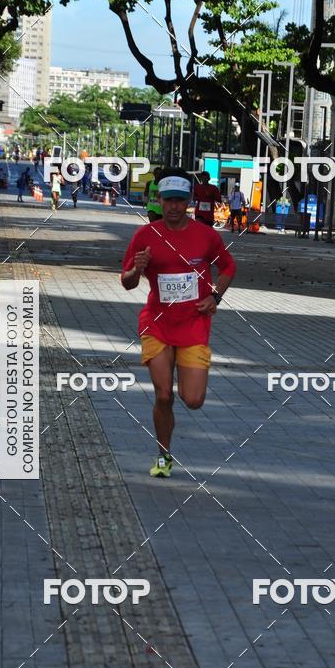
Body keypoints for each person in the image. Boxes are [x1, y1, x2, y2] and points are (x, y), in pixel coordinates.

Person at [121, 167, 237, 478]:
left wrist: (215, 297)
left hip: (193, 324)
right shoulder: (146, 235)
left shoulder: (206, 235)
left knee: (193, 399)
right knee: (163, 394)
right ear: (159, 200)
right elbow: (127, 282)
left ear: (189, 201)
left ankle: (181, 398)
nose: (174, 206)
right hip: (157, 323)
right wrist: (137, 270)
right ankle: (163, 456)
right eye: (168, 200)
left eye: (180, 201)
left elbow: (228, 267)